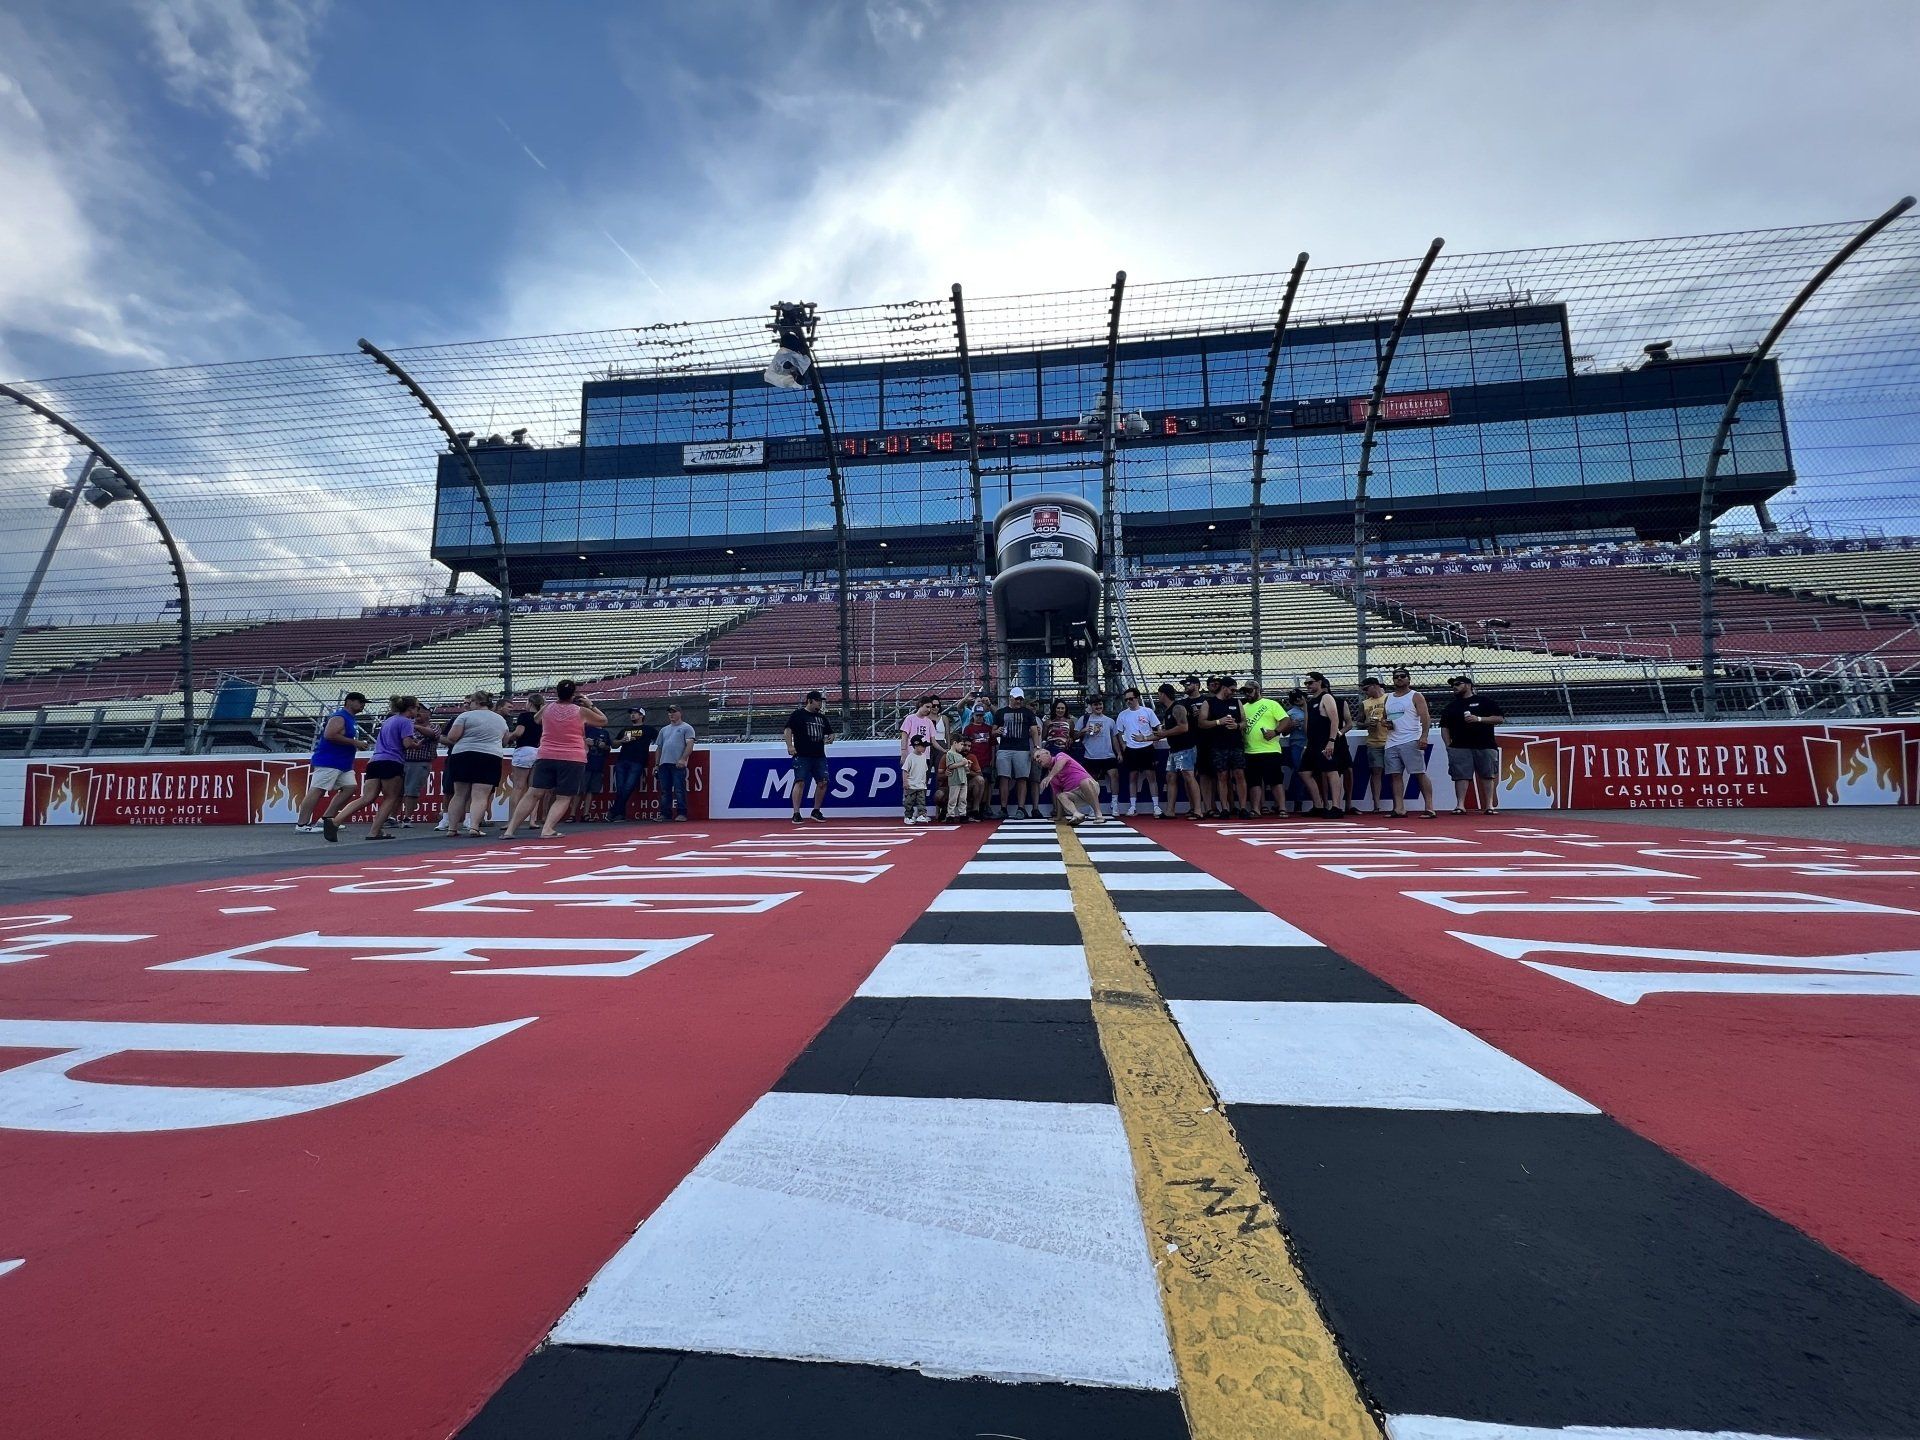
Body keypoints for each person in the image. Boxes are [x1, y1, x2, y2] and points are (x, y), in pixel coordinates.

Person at [504, 679, 608, 840]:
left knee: (533, 793)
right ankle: (548, 829)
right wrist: (590, 704)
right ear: (574, 694)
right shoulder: (580, 711)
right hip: (572, 757)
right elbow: (603, 720)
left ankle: (510, 830)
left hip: (546, 755)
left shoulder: (547, 708)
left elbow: (536, 719)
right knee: (563, 796)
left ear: (556, 692)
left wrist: (548, 705)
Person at [325, 695, 415, 842]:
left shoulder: (389, 721)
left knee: (367, 797)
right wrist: (415, 744)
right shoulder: (406, 722)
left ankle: (335, 820)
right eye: (416, 708)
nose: (417, 711)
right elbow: (406, 744)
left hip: (375, 760)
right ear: (410, 708)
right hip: (392, 761)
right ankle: (374, 831)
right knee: (390, 798)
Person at [296, 691, 368, 833]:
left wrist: (354, 744)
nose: (363, 705)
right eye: (360, 702)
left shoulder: (350, 719)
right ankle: (302, 824)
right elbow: (329, 735)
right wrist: (355, 742)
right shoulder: (339, 717)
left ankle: (326, 819)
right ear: (349, 702)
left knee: (350, 787)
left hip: (343, 762)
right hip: (329, 760)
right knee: (317, 790)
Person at [441, 691, 509, 838]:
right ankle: (474, 826)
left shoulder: (465, 716)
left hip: (463, 754)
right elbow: (505, 741)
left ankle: (452, 828)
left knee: (459, 794)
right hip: (490, 756)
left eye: (470, 702)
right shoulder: (500, 720)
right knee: (480, 795)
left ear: (476, 702)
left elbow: (452, 737)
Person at [1440, 675, 1505, 815]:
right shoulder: (1451, 706)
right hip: (1459, 745)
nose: (1454, 687)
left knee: (1488, 775)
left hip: (1485, 744)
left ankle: (1489, 805)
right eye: (1452, 685)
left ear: (1468, 685)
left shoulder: (1484, 701)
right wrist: (1448, 745)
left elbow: (1499, 719)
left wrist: (1479, 719)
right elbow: (1444, 727)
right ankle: (1460, 805)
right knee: (1460, 776)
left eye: (1458, 684)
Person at [1383, 667, 1438, 819]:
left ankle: (1429, 807)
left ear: (1408, 679)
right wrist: (1386, 723)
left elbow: (1425, 716)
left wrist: (1424, 736)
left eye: (1402, 676)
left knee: (1418, 773)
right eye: (1396, 677)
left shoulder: (1415, 696)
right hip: (1391, 741)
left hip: (1410, 738)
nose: (1399, 679)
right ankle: (1399, 808)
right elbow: (1384, 717)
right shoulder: (1388, 697)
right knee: (1395, 775)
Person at [1301, 672, 1352, 818]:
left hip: (1325, 741)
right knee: (1304, 771)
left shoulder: (1326, 697)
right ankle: (1318, 805)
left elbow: (1335, 720)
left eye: (1310, 683)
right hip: (1313, 742)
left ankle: (1336, 806)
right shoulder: (1310, 701)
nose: (1308, 686)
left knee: (1331, 770)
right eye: (1306, 684)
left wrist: (1332, 740)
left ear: (1320, 682)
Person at [1199, 676, 1249, 818]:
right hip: (1218, 745)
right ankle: (1224, 808)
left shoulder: (1236, 702)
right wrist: (1218, 722)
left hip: (1236, 743)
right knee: (1222, 776)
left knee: (1239, 774)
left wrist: (1237, 725)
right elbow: (1201, 723)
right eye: (1232, 689)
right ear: (1224, 687)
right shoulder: (1209, 702)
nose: (1234, 692)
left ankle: (1243, 807)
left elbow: (1245, 721)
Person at [784, 690, 836, 823]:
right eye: (818, 701)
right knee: (800, 781)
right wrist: (790, 746)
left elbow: (830, 732)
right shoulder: (799, 714)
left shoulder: (822, 718)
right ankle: (796, 812)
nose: (820, 704)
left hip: (819, 755)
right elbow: (788, 729)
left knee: (823, 782)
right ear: (810, 701)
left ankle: (816, 810)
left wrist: (831, 737)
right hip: (802, 754)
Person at [1155, 681, 1205, 819]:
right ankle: (1170, 810)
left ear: (1163, 694)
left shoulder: (1178, 708)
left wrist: (1164, 733)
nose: (1158, 697)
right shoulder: (1168, 710)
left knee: (1189, 776)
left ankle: (1198, 810)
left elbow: (1184, 727)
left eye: (1159, 694)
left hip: (1185, 748)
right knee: (1170, 777)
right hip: (1174, 749)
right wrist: (1144, 738)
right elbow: (1166, 731)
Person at [1241, 679, 1287, 818]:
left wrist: (1276, 731)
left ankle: (1282, 808)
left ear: (1257, 690)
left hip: (1270, 749)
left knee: (1275, 781)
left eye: (1249, 691)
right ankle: (1256, 809)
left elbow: (1285, 720)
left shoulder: (1271, 704)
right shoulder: (1243, 707)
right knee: (1254, 781)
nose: (1247, 694)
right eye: (1245, 692)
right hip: (1250, 750)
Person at [1031, 743, 1107, 825]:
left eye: (1038, 756)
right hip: (1076, 796)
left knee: (1084, 782)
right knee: (1061, 795)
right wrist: (1059, 816)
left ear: (1047, 753)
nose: (1037, 760)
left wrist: (1050, 776)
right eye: (1035, 760)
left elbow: (1060, 763)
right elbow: (1058, 797)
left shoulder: (1060, 756)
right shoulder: (1052, 778)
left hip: (1091, 788)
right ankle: (1077, 814)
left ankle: (1099, 815)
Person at [1115, 686, 1163, 818]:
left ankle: (1156, 807)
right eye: (1126, 700)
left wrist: (1156, 736)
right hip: (1131, 750)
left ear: (1137, 698)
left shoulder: (1147, 711)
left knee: (1151, 777)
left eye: (1131, 699)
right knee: (1132, 778)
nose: (1129, 701)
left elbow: (1157, 726)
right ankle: (1133, 807)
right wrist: (1123, 745)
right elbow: (1119, 732)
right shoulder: (1122, 715)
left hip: (1147, 748)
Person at [992, 686, 1038, 819]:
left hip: (1022, 749)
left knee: (1022, 778)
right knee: (1003, 777)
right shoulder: (1000, 712)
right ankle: (1003, 808)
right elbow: (993, 731)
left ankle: (1021, 808)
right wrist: (997, 732)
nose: (1018, 701)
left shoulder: (1028, 713)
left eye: (1020, 699)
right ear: (1010, 698)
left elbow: (1034, 731)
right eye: (1016, 698)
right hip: (1005, 748)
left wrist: (1036, 747)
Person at [609, 711, 657, 822]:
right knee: (620, 788)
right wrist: (622, 741)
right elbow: (614, 744)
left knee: (628, 787)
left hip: (638, 761)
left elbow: (659, 740)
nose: (632, 715)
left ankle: (614, 811)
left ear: (642, 716)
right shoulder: (625, 730)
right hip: (622, 760)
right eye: (631, 713)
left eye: (636, 713)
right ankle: (619, 814)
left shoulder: (648, 729)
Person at [402, 702, 442, 830]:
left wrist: (415, 726)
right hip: (401, 760)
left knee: (411, 791)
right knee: (395, 791)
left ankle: (407, 818)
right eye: (416, 709)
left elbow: (432, 734)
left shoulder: (434, 727)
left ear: (429, 714)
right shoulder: (406, 725)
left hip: (419, 763)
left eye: (422, 710)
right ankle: (391, 817)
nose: (418, 712)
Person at [1180, 675, 1216, 817]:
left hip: (1206, 741)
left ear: (1196, 685)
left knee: (1207, 775)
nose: (1185, 687)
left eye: (1188, 684)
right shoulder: (1182, 703)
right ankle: (1193, 806)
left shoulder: (1207, 701)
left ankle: (1210, 807)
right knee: (1188, 775)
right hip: (1188, 741)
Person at [1078, 694, 1118, 817]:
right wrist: (1084, 730)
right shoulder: (1084, 719)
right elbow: (1074, 736)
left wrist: (1119, 753)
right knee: (1091, 783)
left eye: (1100, 704)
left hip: (1108, 755)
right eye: (1095, 704)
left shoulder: (1110, 721)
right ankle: (1093, 806)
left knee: (1114, 775)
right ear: (1091, 706)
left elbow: (1114, 738)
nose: (1098, 706)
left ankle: (1114, 804)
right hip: (1091, 756)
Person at [655, 704, 696, 821]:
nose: (671, 714)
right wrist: (657, 764)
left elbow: (690, 744)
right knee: (665, 790)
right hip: (664, 763)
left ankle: (682, 813)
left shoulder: (687, 728)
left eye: (673, 712)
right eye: (669, 712)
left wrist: (683, 759)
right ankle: (665, 813)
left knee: (679, 789)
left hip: (677, 763)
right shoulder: (664, 730)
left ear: (680, 713)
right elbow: (659, 747)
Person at [504, 692, 544, 809]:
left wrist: (509, 736)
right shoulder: (542, 718)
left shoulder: (524, 716)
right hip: (538, 751)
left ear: (530, 703)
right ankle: (532, 820)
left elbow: (519, 733)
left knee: (518, 787)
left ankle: (512, 820)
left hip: (524, 750)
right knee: (533, 788)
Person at [1359, 677, 1393, 815]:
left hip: (1391, 739)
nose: (1365, 692)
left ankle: (1397, 803)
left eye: (1366, 689)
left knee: (1394, 773)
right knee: (1376, 772)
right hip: (1374, 741)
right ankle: (1376, 804)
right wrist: (1367, 724)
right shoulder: (1365, 703)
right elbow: (1359, 722)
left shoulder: (1389, 698)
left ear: (1374, 686)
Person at [962, 698, 996, 820]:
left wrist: (993, 758)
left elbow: (993, 745)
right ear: (973, 715)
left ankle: (983, 807)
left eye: (981, 715)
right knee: (971, 783)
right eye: (977, 715)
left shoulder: (988, 728)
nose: (979, 718)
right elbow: (964, 746)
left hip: (986, 760)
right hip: (971, 762)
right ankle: (970, 807)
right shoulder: (968, 728)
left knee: (986, 783)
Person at [584, 712, 613, 820]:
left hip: (598, 764)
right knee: (579, 790)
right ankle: (572, 814)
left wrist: (602, 745)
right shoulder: (586, 729)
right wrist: (587, 742)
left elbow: (608, 748)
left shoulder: (605, 732)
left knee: (591, 790)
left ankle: (585, 814)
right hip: (585, 763)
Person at [943, 731, 973, 820]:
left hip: (963, 779)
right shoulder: (950, 754)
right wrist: (962, 763)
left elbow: (966, 769)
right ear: (955, 743)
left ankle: (963, 814)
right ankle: (950, 814)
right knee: (953, 799)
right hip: (954, 780)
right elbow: (950, 766)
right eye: (961, 744)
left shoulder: (960, 755)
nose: (962, 747)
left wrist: (967, 765)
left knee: (963, 798)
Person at [902, 734, 932, 824]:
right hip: (911, 785)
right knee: (909, 802)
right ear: (916, 745)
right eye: (923, 746)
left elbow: (924, 771)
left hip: (921, 785)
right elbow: (905, 770)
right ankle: (908, 816)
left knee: (921, 801)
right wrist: (905, 782)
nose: (924, 748)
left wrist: (925, 782)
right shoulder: (910, 757)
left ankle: (921, 815)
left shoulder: (923, 757)